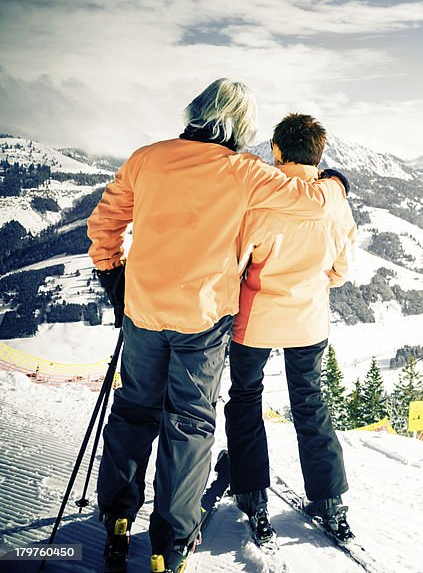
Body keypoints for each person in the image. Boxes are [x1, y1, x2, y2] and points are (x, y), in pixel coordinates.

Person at [87, 79, 350, 573]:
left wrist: (113, 275)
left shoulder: (146, 158)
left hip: (142, 312)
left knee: (133, 411)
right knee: (189, 423)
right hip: (203, 321)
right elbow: (314, 203)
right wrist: (335, 180)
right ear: (240, 126)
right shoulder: (244, 172)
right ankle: (172, 544)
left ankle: (118, 518)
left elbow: (105, 223)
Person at [225, 113, 357, 545]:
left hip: (257, 319)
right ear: (319, 155)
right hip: (309, 319)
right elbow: (341, 269)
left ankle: (252, 494)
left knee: (245, 399)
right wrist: (312, 282)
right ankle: (330, 500)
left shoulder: (260, 198)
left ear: (277, 151)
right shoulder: (334, 202)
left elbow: (237, 263)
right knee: (310, 402)